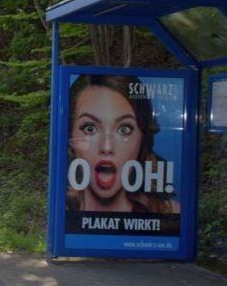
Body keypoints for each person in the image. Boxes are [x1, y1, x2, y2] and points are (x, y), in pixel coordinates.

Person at [67, 74, 180, 214]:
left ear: (142, 139)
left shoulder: (170, 212)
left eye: (124, 129)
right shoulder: (61, 214)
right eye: (90, 128)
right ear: (71, 138)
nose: (106, 147)